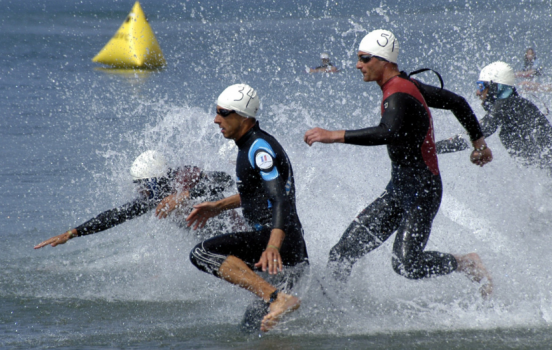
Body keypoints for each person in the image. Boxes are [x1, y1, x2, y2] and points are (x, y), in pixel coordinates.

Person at [303, 29, 494, 297]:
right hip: (399, 190)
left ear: (384, 61)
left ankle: (465, 263)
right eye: (359, 59)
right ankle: (332, 312)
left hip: (422, 193)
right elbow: (457, 102)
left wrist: (335, 135)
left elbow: (388, 132)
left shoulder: (400, 93)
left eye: (365, 59)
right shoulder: (406, 86)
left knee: (406, 264)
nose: (358, 65)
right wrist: (479, 144)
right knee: (342, 252)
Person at [186, 84, 309, 332]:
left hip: (277, 245)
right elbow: (257, 193)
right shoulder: (249, 145)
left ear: (243, 116)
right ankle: (277, 299)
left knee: (202, 253)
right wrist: (219, 206)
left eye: (223, 112)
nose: (215, 119)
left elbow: (280, 199)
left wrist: (273, 246)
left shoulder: (259, 148)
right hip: (288, 250)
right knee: (253, 330)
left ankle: (277, 298)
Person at [34, 150, 236, 249]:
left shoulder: (183, 177)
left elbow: (225, 180)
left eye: (145, 184)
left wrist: (184, 195)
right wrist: (73, 232)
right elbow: (116, 215)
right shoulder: (154, 197)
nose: (142, 190)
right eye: (139, 185)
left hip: (233, 231)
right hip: (210, 241)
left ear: (159, 179)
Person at [476, 62, 552, 173]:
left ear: (494, 86)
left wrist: (440, 148)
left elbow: (477, 134)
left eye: (481, 86)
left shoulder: (506, 105)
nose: (478, 92)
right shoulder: (515, 105)